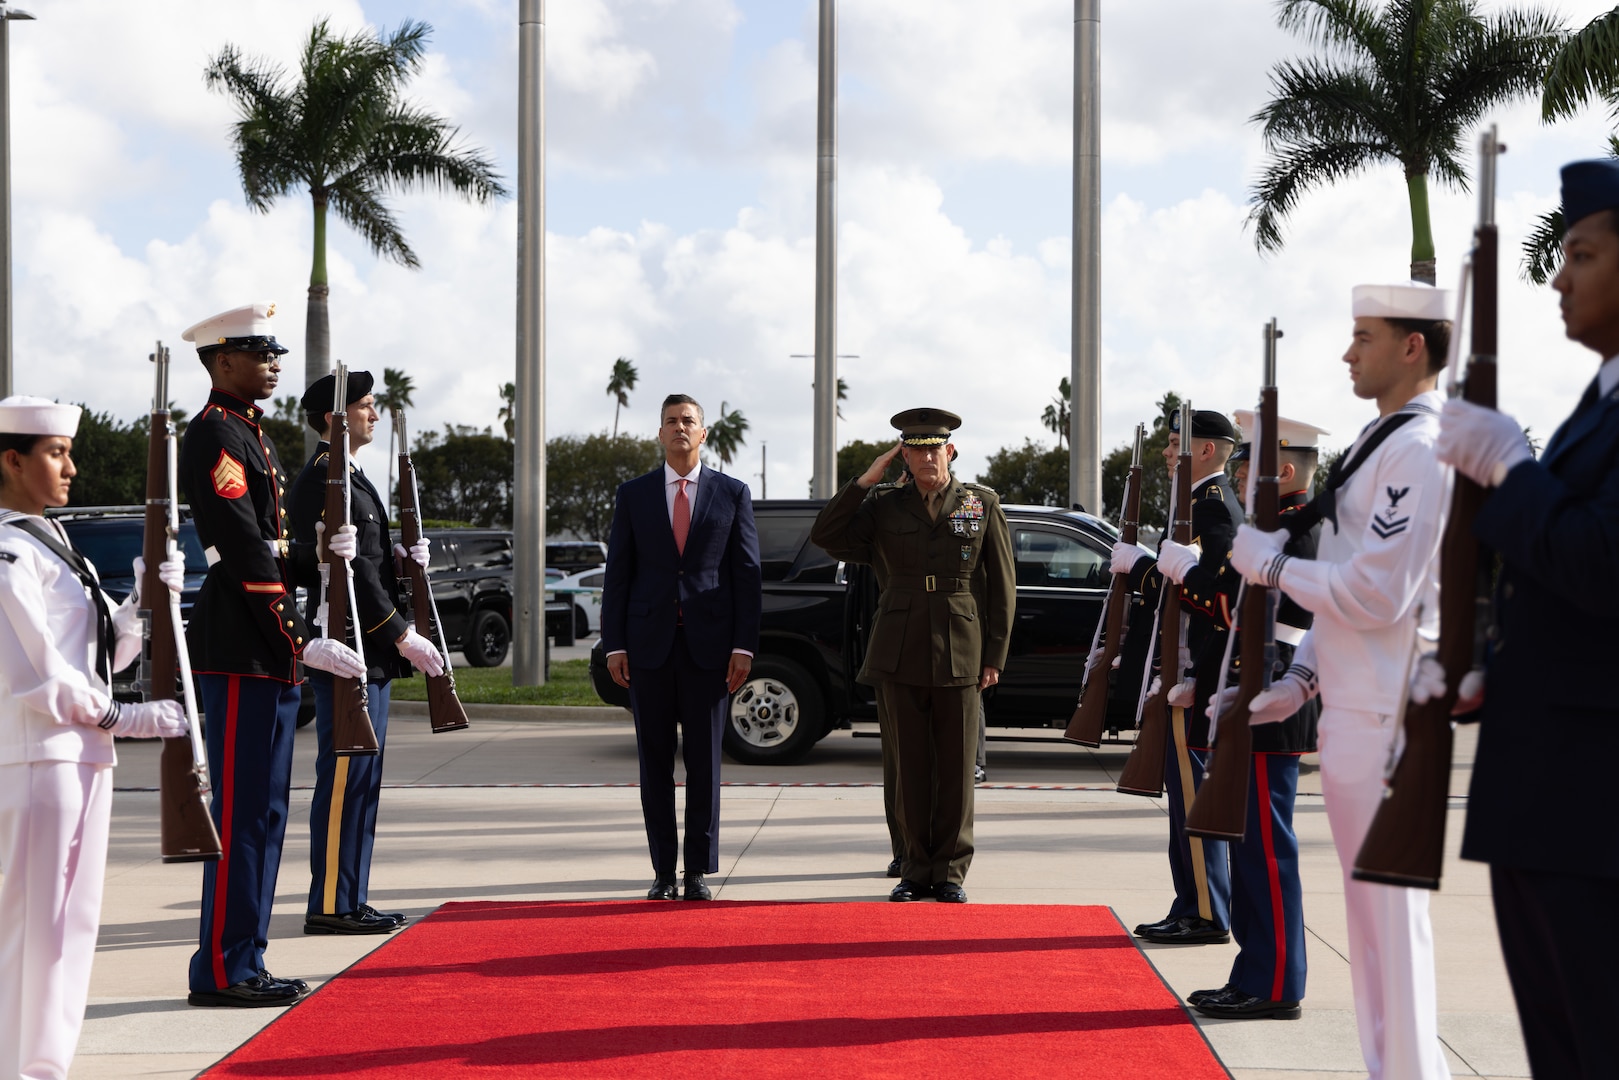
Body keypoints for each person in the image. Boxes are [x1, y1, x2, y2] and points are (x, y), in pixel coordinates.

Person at [1231, 282, 1454, 1078]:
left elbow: (1377, 592)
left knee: (1391, 929)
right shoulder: (1378, 438)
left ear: (1411, 347)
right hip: (1356, 708)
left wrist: (1270, 565)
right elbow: (1345, 588)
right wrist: (1299, 678)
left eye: (1363, 336)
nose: (1346, 351)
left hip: (1390, 715)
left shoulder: (1419, 447)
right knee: (1371, 925)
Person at [1437, 159, 1619, 1077]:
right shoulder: (1602, 398)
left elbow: (1600, 562)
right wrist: (1495, 666)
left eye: (1582, 253)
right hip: (1552, 795)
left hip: (1596, 809)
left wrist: (1511, 467)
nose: (1559, 276)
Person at [178, 302, 366, 1007]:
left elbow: (277, 549)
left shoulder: (250, 433)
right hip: (242, 647)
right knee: (241, 817)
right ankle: (224, 970)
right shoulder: (216, 434)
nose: (274, 364)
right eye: (261, 354)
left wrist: (322, 569)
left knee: (264, 816)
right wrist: (299, 631)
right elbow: (248, 555)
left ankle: (246, 959)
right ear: (223, 361)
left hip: (266, 652)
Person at [0, 397, 188, 1079]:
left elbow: (105, 653)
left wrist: (144, 602)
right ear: (11, 460)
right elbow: (38, 675)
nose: (71, 467)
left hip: (77, 757)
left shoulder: (50, 539)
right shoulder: (9, 550)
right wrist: (126, 719)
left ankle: (41, 1066)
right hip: (41, 757)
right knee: (40, 933)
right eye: (56, 453)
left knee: (68, 931)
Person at [811, 408, 1015, 904]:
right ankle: (913, 866)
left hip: (962, 648)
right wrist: (865, 480)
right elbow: (827, 535)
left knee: (956, 765)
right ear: (903, 454)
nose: (927, 457)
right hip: (899, 646)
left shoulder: (979, 503)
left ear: (951, 451)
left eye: (934, 447)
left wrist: (994, 656)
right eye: (916, 448)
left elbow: (1002, 587)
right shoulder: (883, 505)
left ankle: (950, 872)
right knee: (907, 765)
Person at [1184, 414, 1326, 1021]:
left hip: (1273, 699)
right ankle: (1256, 971)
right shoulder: (1279, 528)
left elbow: (1292, 621)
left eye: (1249, 469)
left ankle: (1274, 984)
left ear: (1284, 472)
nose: (1239, 480)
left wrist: (1252, 684)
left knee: (1267, 851)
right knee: (1250, 851)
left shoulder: (1304, 530)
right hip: (1252, 693)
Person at [288, 370, 441, 936]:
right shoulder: (318, 481)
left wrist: (402, 557)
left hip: (366, 651)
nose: (374, 415)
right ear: (335, 418)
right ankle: (328, 902)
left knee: (364, 779)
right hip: (346, 650)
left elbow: (370, 566)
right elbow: (340, 577)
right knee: (344, 777)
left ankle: (349, 897)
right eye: (366, 407)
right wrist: (402, 633)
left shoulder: (352, 476)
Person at [602, 394, 762, 901]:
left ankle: (696, 872)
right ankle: (662, 873)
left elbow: (746, 577)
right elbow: (618, 576)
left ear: (703, 433)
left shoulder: (732, 494)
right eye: (670, 421)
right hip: (647, 650)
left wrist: (743, 646)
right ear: (659, 432)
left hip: (710, 652)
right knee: (654, 765)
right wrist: (614, 645)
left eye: (688, 421)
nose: (679, 428)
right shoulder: (634, 495)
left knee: (705, 765)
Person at [1113, 408, 1242, 945]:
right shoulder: (1193, 507)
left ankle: (1208, 912)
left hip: (1194, 676)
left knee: (1193, 800)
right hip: (1178, 672)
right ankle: (1189, 902)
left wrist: (1143, 567)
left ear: (1204, 451)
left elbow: (1215, 600)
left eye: (1174, 445)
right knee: (1181, 799)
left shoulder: (1214, 511)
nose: (1167, 455)